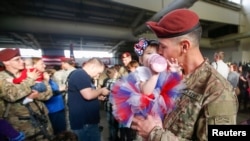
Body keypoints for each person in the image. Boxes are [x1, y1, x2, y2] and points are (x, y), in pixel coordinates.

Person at [130, 8, 238, 141]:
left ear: (184, 47)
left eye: (163, 47)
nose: (159, 53)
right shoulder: (171, 76)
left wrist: (154, 134)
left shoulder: (219, 90)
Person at [0, 48, 53, 140]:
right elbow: (11, 95)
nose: (22, 61)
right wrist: (30, 80)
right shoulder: (2, 78)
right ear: (5, 62)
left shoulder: (30, 72)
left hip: (42, 120)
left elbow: (48, 93)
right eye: (17, 59)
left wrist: (35, 95)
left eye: (21, 58)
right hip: (22, 126)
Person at [67, 57, 110, 141]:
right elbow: (88, 95)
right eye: (98, 73)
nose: (97, 76)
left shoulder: (83, 76)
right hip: (84, 122)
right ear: (93, 67)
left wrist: (97, 97)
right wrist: (101, 90)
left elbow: (85, 94)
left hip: (88, 121)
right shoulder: (80, 74)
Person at [44, 69, 67, 135]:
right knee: (57, 132)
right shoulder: (44, 82)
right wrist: (59, 90)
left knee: (62, 129)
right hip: (52, 110)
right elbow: (46, 94)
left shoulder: (51, 81)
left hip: (59, 108)